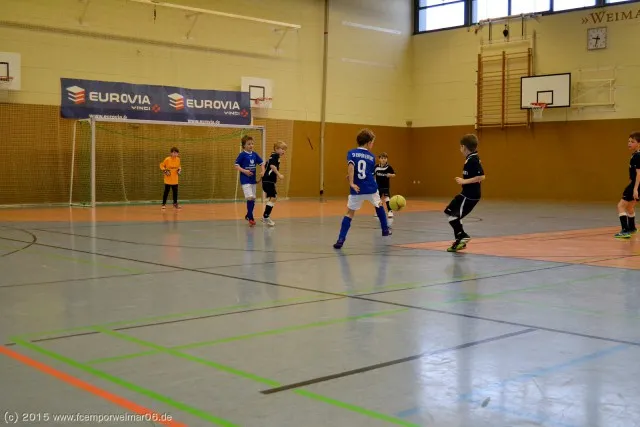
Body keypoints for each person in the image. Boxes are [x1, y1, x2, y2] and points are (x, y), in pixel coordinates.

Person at [333, 129, 391, 249]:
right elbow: (367, 172)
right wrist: (352, 179)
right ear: (368, 143)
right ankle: (385, 229)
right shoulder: (371, 157)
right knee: (379, 205)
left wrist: (351, 182)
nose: (372, 144)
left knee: (349, 213)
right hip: (370, 188)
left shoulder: (351, 153)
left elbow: (351, 167)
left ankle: (341, 239)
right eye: (372, 142)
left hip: (357, 189)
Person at [444, 134, 485, 252]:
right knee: (449, 212)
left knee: (453, 216)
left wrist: (464, 181)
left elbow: (481, 176)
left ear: (464, 147)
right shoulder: (470, 158)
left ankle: (462, 237)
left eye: (460, 147)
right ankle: (460, 239)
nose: (460, 149)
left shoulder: (473, 160)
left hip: (470, 195)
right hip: (465, 193)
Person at [234, 135, 264, 226]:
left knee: (253, 198)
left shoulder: (254, 154)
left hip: (252, 179)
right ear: (244, 145)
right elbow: (236, 166)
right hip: (245, 179)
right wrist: (245, 171)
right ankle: (251, 218)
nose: (251, 145)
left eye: (252, 144)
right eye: (249, 144)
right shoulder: (242, 155)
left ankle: (248, 215)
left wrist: (263, 171)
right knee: (250, 197)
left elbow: (262, 163)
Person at [615, 132, 640, 238]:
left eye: (632, 142)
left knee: (621, 206)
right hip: (635, 184)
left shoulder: (638, 156)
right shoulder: (635, 154)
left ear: (639, 143)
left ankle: (625, 231)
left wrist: (635, 188)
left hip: (636, 185)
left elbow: (639, 173)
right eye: (629, 141)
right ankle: (632, 228)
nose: (629, 143)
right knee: (630, 206)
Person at [261, 141, 288, 226]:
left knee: (273, 197)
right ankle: (265, 217)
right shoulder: (275, 156)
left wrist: (261, 178)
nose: (284, 151)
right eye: (282, 149)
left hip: (267, 180)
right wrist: (279, 174)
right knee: (273, 197)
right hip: (269, 180)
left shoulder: (271, 156)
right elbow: (272, 166)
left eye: (285, 149)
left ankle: (266, 216)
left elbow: (266, 167)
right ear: (276, 149)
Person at [374, 152, 396, 218]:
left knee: (387, 198)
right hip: (378, 186)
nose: (383, 159)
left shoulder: (389, 167)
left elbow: (394, 174)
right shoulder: (376, 167)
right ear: (379, 159)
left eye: (385, 158)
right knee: (378, 199)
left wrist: (390, 175)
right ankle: (378, 212)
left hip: (385, 186)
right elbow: (373, 174)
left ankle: (390, 211)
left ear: (387, 159)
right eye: (382, 158)